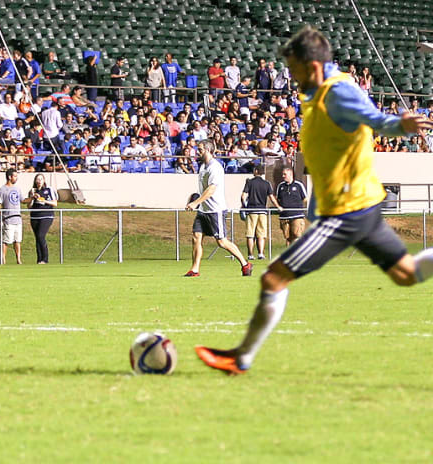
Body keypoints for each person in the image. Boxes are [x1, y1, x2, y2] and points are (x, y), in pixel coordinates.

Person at [195, 26, 433, 375]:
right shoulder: (320, 91)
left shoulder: (339, 93)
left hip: (346, 213)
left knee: (273, 278)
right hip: (359, 206)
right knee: (406, 273)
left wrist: (400, 126)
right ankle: (240, 358)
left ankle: (240, 358)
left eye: (294, 69)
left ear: (313, 65)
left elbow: (376, 119)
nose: (290, 77)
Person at [184, 139, 253, 277]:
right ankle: (195, 269)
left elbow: (211, 189)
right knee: (196, 237)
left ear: (208, 150)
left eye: (201, 149)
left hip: (215, 210)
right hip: (203, 210)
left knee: (222, 241)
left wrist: (196, 202)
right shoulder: (203, 166)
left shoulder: (215, 167)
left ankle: (245, 264)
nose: (198, 152)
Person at [241, 165, 282, 260]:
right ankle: (261, 254)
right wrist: (278, 207)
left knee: (250, 234)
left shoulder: (250, 182)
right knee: (261, 234)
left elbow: (243, 196)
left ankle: (250, 255)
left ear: (255, 171)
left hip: (251, 211)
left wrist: (243, 206)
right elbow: (271, 197)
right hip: (263, 211)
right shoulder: (266, 183)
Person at [23, 173, 57, 264]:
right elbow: (29, 206)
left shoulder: (48, 189)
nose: (39, 181)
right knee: (37, 237)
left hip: (46, 215)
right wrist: (32, 198)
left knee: (41, 235)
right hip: (35, 216)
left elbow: (55, 203)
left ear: (44, 180)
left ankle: (45, 259)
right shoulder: (32, 191)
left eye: (41, 179)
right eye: (37, 179)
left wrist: (44, 201)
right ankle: (39, 259)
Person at [0, 168, 24, 265]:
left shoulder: (18, 189)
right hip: (8, 219)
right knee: (6, 240)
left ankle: (18, 259)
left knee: (18, 240)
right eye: (15, 176)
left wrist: (32, 197)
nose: (16, 178)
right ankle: (3, 259)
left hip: (18, 219)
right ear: (9, 177)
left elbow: (23, 200)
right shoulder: (2, 189)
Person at [276, 166, 308, 246]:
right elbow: (278, 199)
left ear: (291, 174)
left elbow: (305, 199)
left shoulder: (298, 185)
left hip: (297, 215)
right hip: (284, 216)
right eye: (283, 174)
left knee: (297, 235)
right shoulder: (280, 186)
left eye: (285, 174)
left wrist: (300, 208)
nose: (283, 176)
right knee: (288, 237)